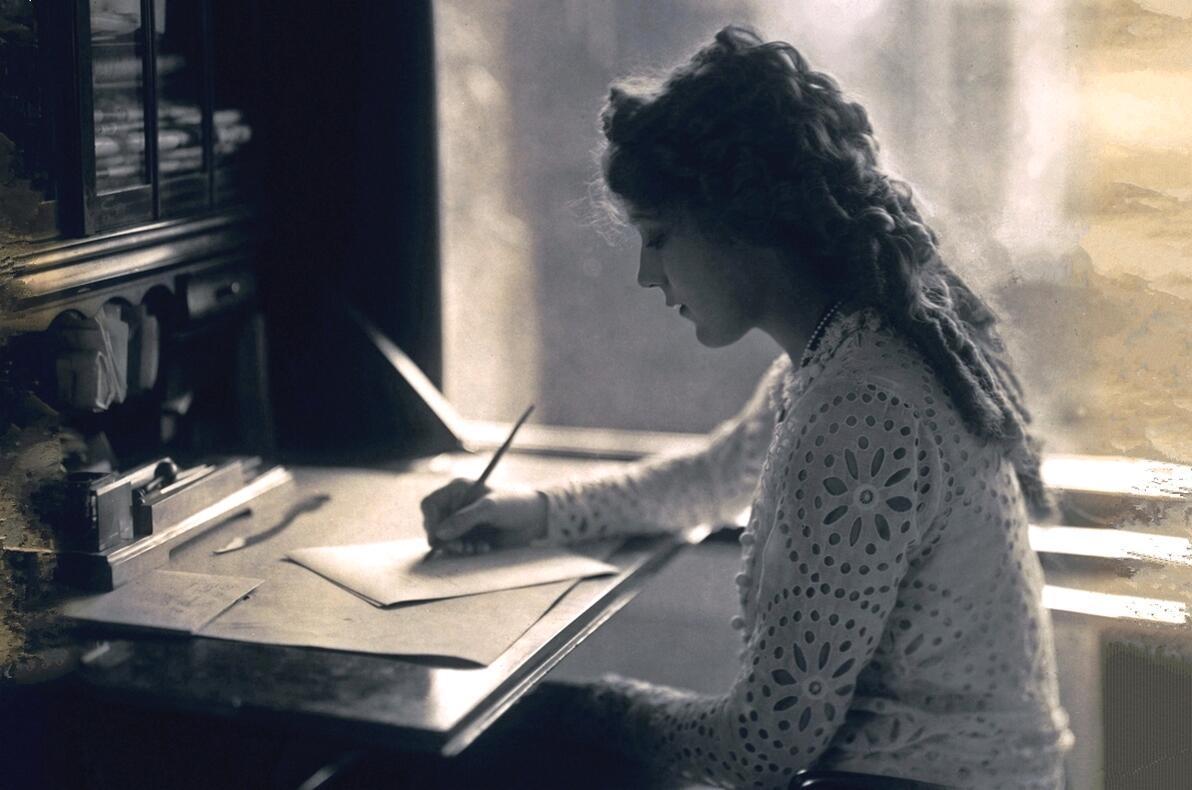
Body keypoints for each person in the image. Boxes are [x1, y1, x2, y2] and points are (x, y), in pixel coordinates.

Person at [421, 25, 1075, 790]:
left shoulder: (864, 404)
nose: (646, 275)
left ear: (741, 223)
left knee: (501, 752)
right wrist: (530, 512)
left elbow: (762, 746)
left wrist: (591, 711)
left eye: (659, 237)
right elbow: (710, 478)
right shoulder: (842, 351)